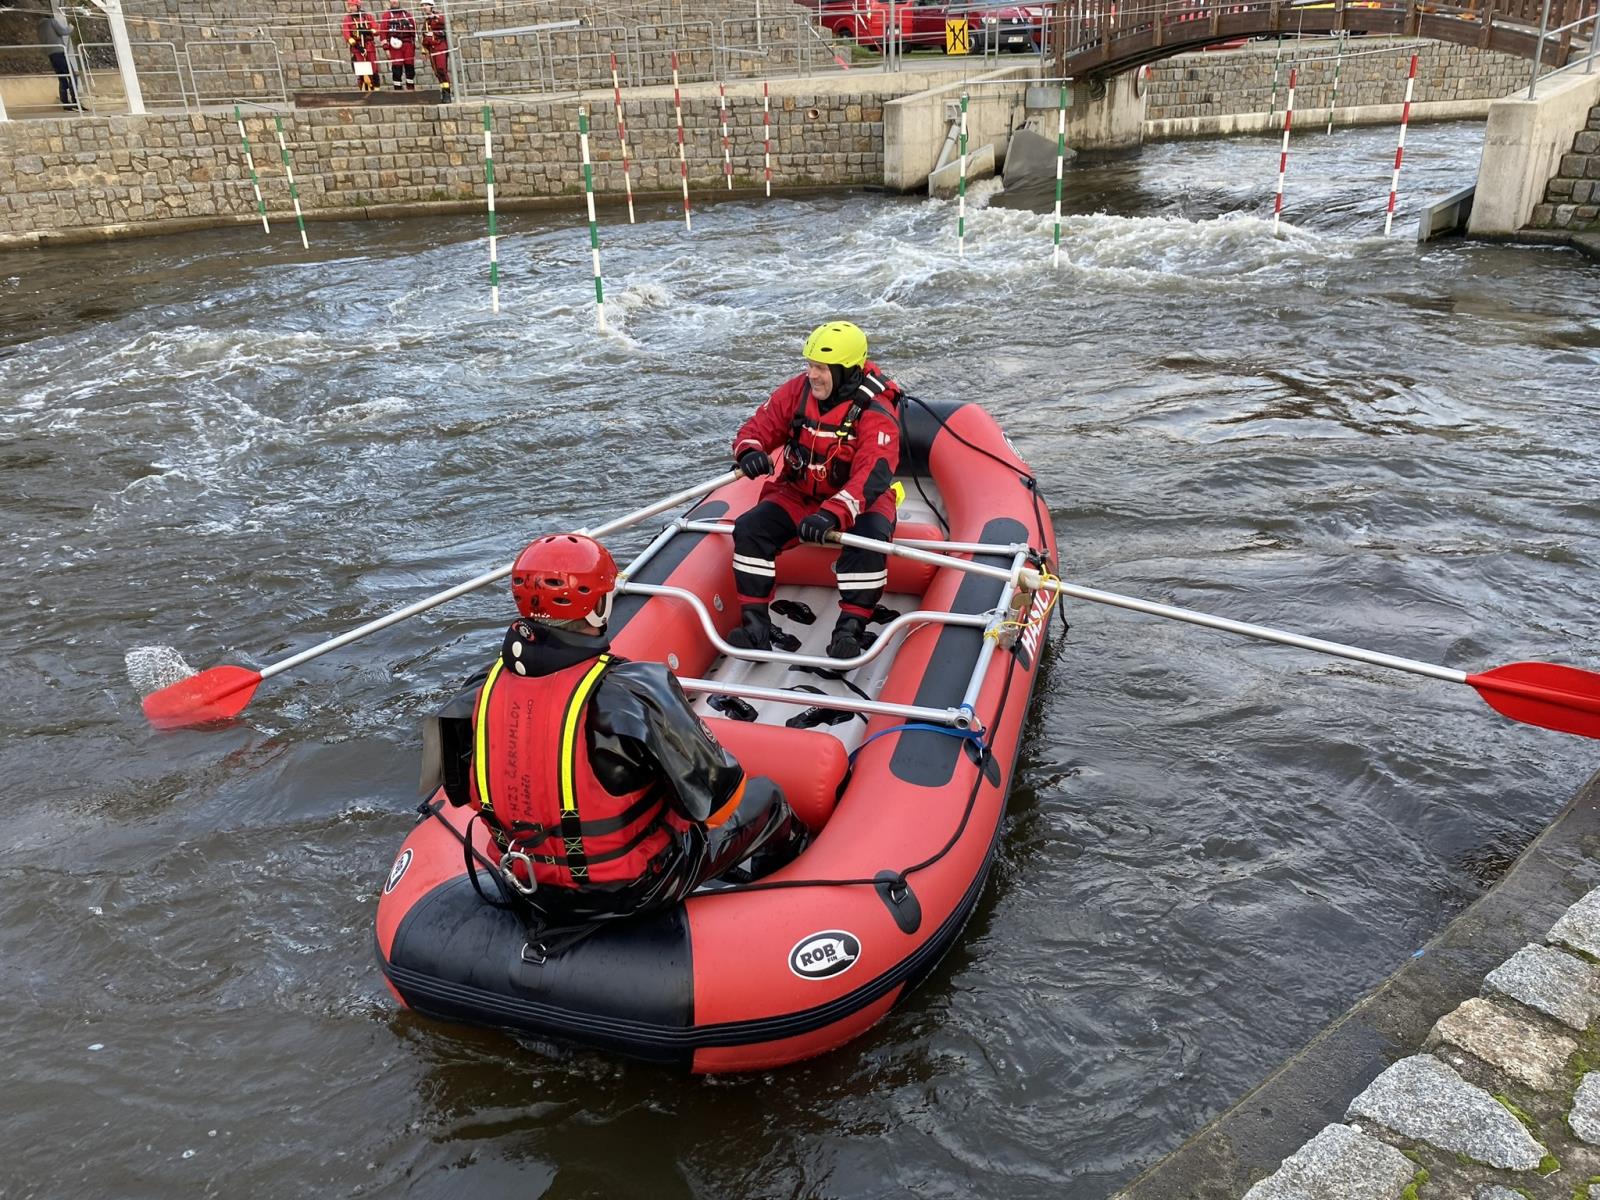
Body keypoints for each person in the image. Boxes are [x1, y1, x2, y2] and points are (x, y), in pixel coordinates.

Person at [431, 533, 807, 932]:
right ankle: (785, 896)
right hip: (634, 887)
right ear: (598, 608)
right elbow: (719, 800)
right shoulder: (635, 690)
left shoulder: (476, 692)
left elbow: (457, 792)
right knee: (768, 799)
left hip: (528, 883)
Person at [727, 320, 903, 659]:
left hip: (857, 503)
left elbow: (872, 474)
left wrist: (833, 514)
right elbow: (758, 427)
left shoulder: (875, 409)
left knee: (869, 541)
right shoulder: (797, 391)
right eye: (810, 366)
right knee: (750, 529)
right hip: (799, 494)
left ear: (846, 371)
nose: (812, 375)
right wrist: (749, 451)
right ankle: (754, 627)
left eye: (821, 368)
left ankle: (849, 630)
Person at [38, 3, 79, 112]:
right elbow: (63, 31)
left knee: (62, 78)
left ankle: (66, 103)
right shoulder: (52, 22)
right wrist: (71, 27)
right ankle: (75, 101)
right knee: (72, 76)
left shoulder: (39, 27)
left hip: (51, 54)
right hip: (59, 52)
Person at [379, 0, 417, 92]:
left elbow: (414, 31)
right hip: (395, 46)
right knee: (397, 69)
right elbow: (383, 33)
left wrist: (413, 46)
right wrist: (386, 49)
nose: (394, 1)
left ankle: (411, 89)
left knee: (410, 68)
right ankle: (398, 90)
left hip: (408, 45)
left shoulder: (407, 15)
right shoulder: (386, 16)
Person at [341, 0, 379, 92]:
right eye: (349, 6)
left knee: (373, 69)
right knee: (362, 70)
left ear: (358, 6)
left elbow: (377, 30)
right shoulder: (347, 19)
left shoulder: (368, 17)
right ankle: (364, 90)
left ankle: (376, 89)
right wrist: (358, 47)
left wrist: (367, 31)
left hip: (369, 46)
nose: (350, 8)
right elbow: (347, 35)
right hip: (357, 48)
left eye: (352, 6)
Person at [418, 0, 451, 101]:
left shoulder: (439, 17)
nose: (424, 7)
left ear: (432, 6)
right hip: (432, 49)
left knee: (441, 69)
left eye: (426, 5)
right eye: (423, 6)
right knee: (437, 72)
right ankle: (443, 91)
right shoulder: (426, 22)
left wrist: (434, 34)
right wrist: (424, 51)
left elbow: (446, 30)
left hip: (440, 47)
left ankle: (447, 94)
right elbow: (424, 36)